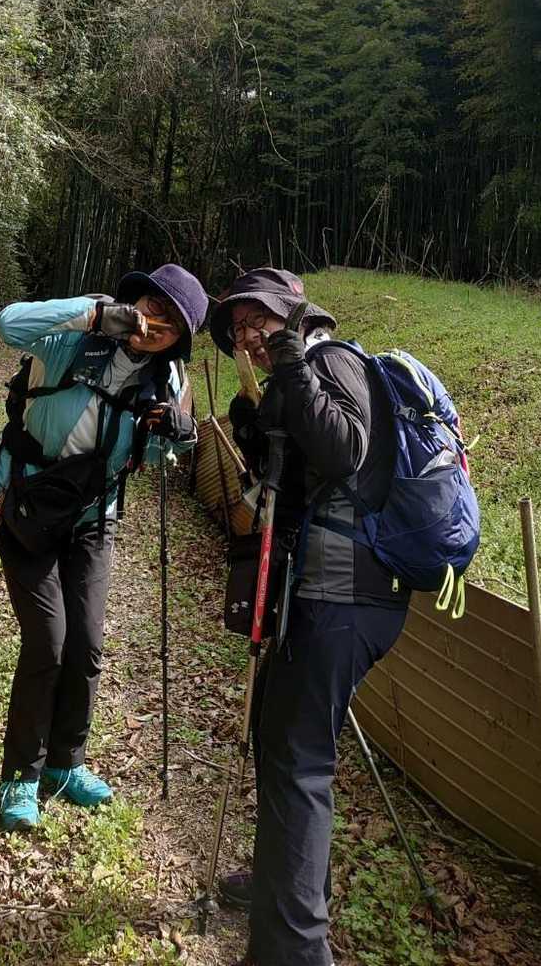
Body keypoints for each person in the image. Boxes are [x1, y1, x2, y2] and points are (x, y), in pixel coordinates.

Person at [208, 267, 409, 966]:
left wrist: (291, 363)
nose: (247, 336)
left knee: (298, 763)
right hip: (317, 593)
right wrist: (254, 427)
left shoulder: (332, 360)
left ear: (293, 314)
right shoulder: (296, 377)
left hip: (344, 596)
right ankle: (282, 884)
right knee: (277, 743)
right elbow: (291, 487)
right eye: (238, 329)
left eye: (256, 320)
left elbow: (345, 449)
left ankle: (293, 950)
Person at [0, 264, 208, 832]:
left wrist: (174, 434)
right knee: (48, 642)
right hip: (27, 504)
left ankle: (66, 763)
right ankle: (21, 775)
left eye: (172, 324)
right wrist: (94, 313)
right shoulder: (73, 338)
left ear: (179, 341)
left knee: (85, 646)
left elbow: (149, 458)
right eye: (152, 306)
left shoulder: (165, 378)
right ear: (134, 301)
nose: (155, 324)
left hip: (92, 516)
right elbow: (8, 324)